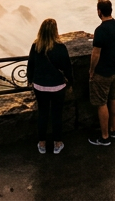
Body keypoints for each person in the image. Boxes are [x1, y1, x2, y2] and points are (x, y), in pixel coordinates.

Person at [28, 18, 74, 155]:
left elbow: (30, 66)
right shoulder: (60, 47)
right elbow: (67, 68)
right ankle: (57, 144)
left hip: (40, 86)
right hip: (57, 87)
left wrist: (30, 81)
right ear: (55, 31)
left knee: (42, 114)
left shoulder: (36, 46)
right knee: (56, 114)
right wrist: (71, 83)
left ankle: (42, 144)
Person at [88, 0, 115, 145]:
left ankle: (104, 137)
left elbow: (96, 53)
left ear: (99, 11)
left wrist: (91, 71)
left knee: (101, 103)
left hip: (102, 71)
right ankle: (114, 130)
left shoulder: (101, 29)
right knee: (113, 97)